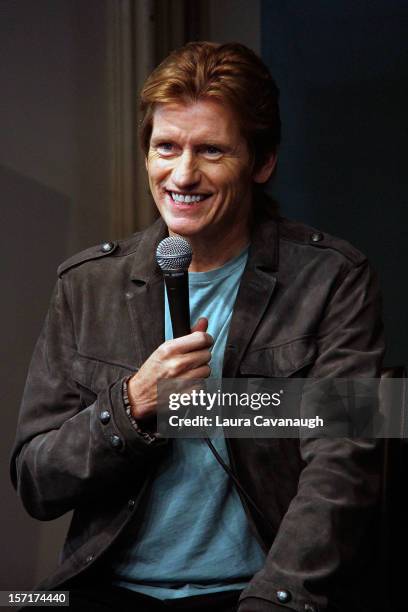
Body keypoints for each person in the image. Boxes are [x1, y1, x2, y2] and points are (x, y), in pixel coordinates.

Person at [11, 42, 384, 612]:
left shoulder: (334, 278)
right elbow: (36, 481)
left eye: (211, 150)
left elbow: (344, 467)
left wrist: (274, 599)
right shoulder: (86, 284)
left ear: (262, 163)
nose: (182, 174)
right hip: (102, 588)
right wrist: (133, 404)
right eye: (166, 147)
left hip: (256, 590)